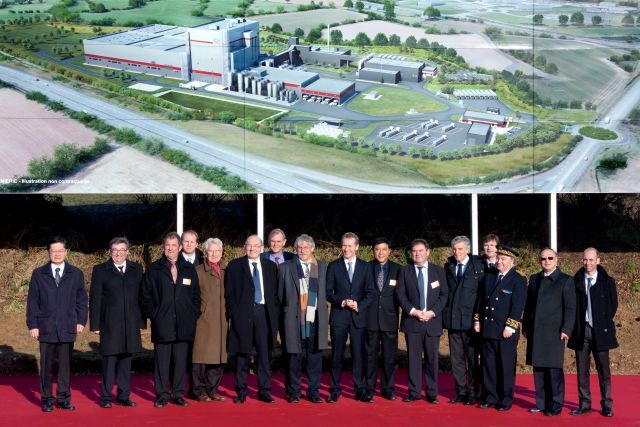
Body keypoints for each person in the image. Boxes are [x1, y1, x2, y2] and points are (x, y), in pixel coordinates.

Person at [26, 236, 88, 413]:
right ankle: (46, 399)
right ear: (49, 253)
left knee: (65, 367)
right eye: (54, 251)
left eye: (60, 250)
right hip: (45, 327)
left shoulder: (76, 273)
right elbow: (33, 302)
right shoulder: (39, 274)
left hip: (67, 326)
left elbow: (82, 300)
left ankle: (63, 399)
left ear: (66, 252)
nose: (57, 254)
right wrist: (33, 325)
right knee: (46, 367)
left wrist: (81, 321)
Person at [140, 232, 200, 408]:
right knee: (162, 362)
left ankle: (178, 394)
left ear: (180, 247)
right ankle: (162, 394)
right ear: (163, 247)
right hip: (163, 323)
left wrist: (191, 314)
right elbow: (145, 296)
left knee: (181, 362)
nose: (171, 248)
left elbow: (196, 296)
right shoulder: (154, 269)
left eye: (174, 245)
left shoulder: (189, 269)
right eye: (168, 245)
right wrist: (155, 315)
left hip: (183, 324)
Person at [90, 237, 144, 409]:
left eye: (122, 249)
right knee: (110, 360)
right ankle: (106, 396)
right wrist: (95, 325)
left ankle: (123, 395)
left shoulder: (137, 269)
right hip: (109, 323)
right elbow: (95, 298)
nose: (119, 253)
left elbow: (141, 297)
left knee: (126, 360)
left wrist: (141, 322)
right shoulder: (100, 270)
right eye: (115, 250)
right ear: (110, 252)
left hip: (130, 323)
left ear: (127, 251)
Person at [225, 234, 279, 403]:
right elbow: (229, 294)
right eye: (249, 245)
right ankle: (241, 391)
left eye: (256, 246)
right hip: (243, 315)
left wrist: (274, 312)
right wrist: (233, 313)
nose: (252, 248)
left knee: (264, 355)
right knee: (242, 354)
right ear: (245, 247)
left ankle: (264, 390)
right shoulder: (234, 266)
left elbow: (275, 293)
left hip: (264, 314)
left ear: (262, 248)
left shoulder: (270, 266)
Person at [523, 248, 575, 416]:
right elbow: (529, 305)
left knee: (553, 369)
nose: (546, 261)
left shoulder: (566, 280)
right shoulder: (534, 279)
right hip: (536, 331)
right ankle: (541, 403)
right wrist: (526, 327)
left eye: (550, 258)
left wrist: (566, 329)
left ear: (556, 259)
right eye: (543, 258)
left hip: (554, 332)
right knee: (538, 368)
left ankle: (556, 404)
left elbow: (570, 308)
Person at [474, 245, 526, 412]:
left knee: (505, 366)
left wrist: (510, 326)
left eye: (503, 259)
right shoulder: (490, 277)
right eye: (498, 258)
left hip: (505, 331)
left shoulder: (518, 280)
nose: (499, 261)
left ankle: (505, 399)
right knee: (488, 365)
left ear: (511, 262)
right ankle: (490, 397)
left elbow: (518, 306)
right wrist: (477, 320)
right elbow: (481, 301)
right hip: (488, 328)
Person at [396, 239, 448, 404]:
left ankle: (432, 392)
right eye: (414, 251)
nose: (417, 254)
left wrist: (432, 312)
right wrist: (413, 311)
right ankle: (414, 391)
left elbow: (444, 295)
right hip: (413, 322)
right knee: (414, 359)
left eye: (420, 250)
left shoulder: (439, 271)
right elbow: (400, 295)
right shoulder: (405, 271)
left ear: (428, 252)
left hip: (432, 322)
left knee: (432, 360)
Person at [278, 234, 328, 404]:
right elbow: (280, 295)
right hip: (294, 319)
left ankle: (313, 391)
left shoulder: (321, 266)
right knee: (294, 357)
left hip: (315, 318)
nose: (303, 250)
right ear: (295, 249)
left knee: (314, 357)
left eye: (306, 247)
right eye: (300, 247)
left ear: (312, 249)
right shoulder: (285, 267)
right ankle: (293, 391)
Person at [568, 247, 618, 418]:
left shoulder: (607, 282)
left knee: (604, 371)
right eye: (585, 260)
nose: (587, 263)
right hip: (582, 330)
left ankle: (607, 404)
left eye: (591, 260)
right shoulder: (575, 281)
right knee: (582, 370)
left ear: (598, 260)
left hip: (601, 331)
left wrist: (601, 322)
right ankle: (584, 404)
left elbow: (613, 305)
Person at [326, 232, 374, 403]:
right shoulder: (333, 266)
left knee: (358, 355)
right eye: (344, 245)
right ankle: (334, 389)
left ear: (357, 247)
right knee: (337, 354)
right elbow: (328, 293)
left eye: (349, 245)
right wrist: (343, 301)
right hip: (339, 317)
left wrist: (359, 305)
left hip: (358, 318)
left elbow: (370, 292)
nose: (346, 249)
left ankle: (359, 389)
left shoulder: (366, 267)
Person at [443, 235, 484, 405]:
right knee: (457, 360)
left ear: (467, 250)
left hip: (470, 323)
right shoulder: (448, 267)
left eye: (460, 249)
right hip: (453, 321)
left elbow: (481, 297)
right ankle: (460, 391)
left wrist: (477, 319)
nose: (457, 252)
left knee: (472, 359)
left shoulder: (478, 267)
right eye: (454, 249)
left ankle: (474, 391)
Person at [191, 238, 228, 403]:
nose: (214, 254)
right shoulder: (198, 271)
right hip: (203, 320)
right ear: (205, 253)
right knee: (200, 357)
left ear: (221, 252)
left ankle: (212, 389)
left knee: (219, 357)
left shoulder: (227, 271)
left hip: (223, 321)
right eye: (211, 251)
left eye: (217, 251)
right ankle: (198, 390)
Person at [364, 237, 401, 402]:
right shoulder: (365, 267)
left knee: (389, 357)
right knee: (370, 356)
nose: (380, 252)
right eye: (377, 249)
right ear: (373, 250)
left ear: (389, 251)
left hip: (389, 320)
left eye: (384, 249)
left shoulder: (398, 269)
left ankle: (387, 388)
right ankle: (369, 388)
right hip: (369, 319)